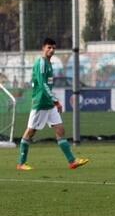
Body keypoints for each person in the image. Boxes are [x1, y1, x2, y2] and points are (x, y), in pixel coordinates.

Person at [16, 38, 89, 171]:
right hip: (40, 103)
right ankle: (21, 163)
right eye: (49, 47)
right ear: (43, 48)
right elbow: (43, 85)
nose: (52, 50)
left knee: (60, 129)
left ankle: (72, 161)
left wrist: (53, 102)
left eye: (54, 48)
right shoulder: (41, 63)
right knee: (30, 132)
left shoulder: (49, 64)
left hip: (48, 104)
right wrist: (56, 101)